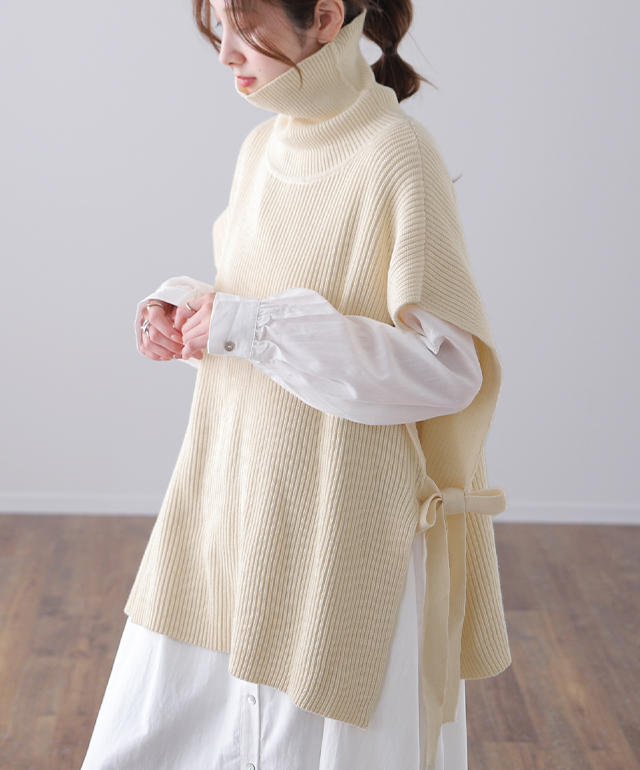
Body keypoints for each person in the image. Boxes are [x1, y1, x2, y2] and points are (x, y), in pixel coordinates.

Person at [80, 1, 512, 768]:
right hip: (233, 495)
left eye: (243, 27)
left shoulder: (397, 153)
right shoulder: (262, 145)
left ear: (325, 17)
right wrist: (189, 313)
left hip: (341, 522)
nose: (225, 54)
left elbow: (448, 373)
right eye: (218, 29)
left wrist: (247, 325)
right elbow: (260, 302)